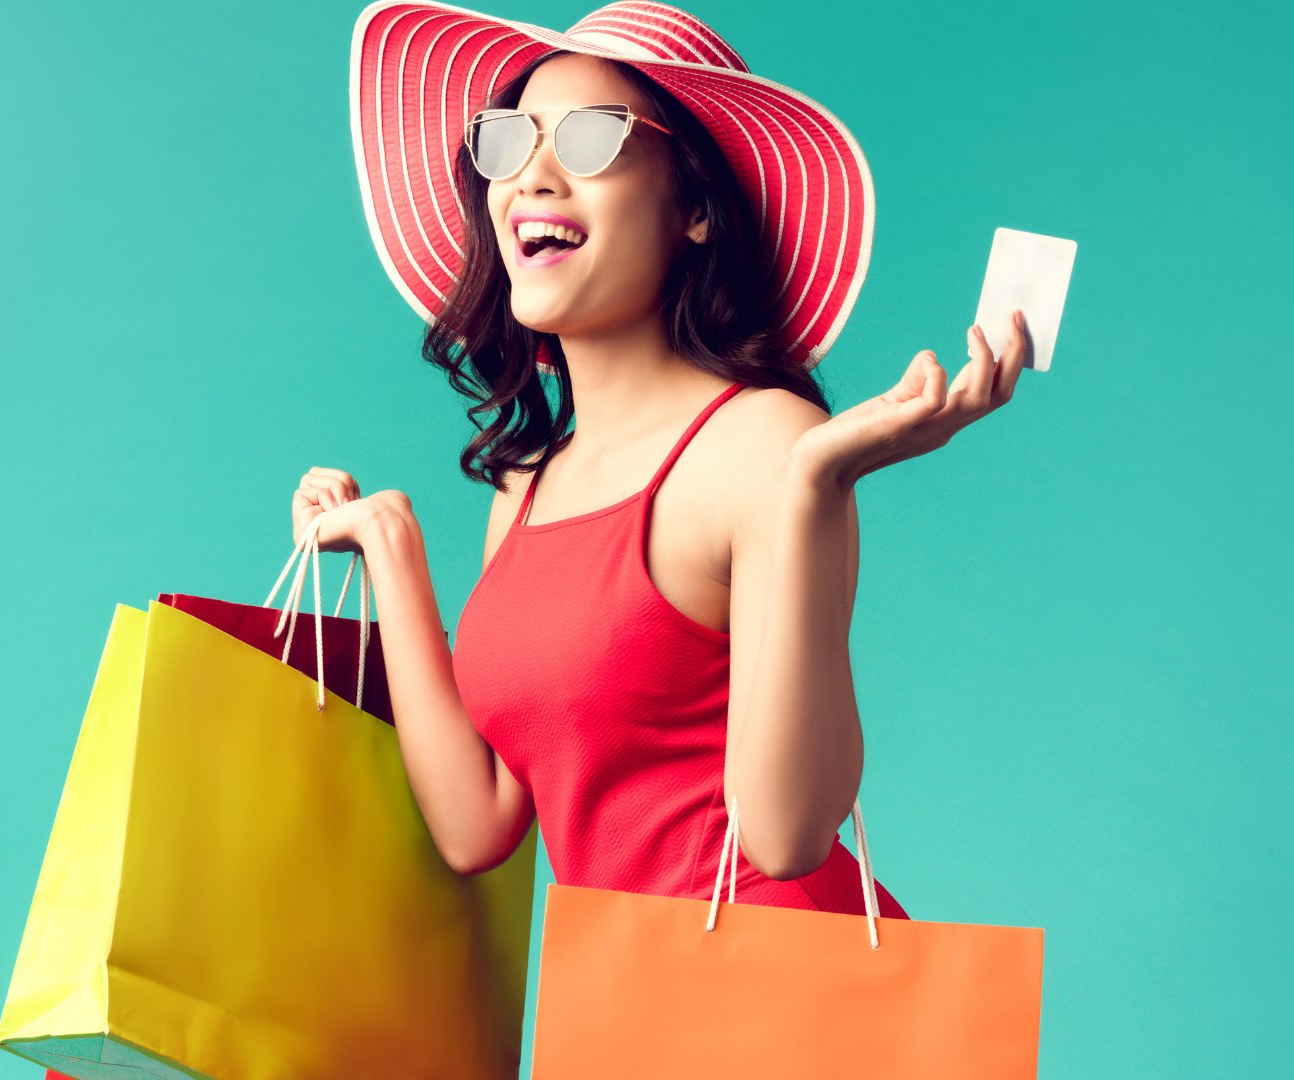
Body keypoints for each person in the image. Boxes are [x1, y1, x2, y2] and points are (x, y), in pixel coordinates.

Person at [291, 1, 1029, 915]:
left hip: (781, 998)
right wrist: (390, 545)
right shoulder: (526, 487)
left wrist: (811, 484)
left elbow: (787, 838)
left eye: (594, 138)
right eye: (509, 139)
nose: (534, 175)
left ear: (694, 211)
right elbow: (477, 824)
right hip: (630, 1003)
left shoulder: (767, 440)